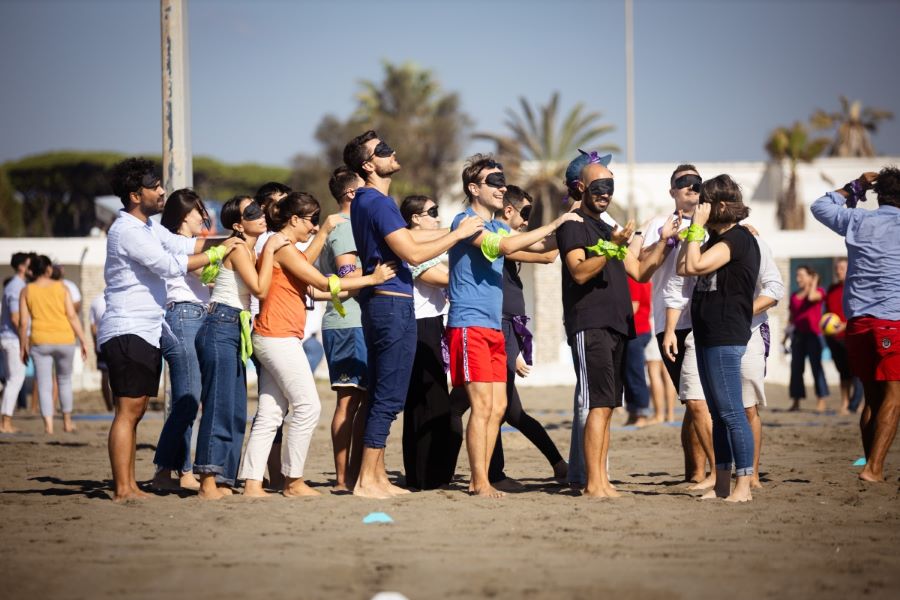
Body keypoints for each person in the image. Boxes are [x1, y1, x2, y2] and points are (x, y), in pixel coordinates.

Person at [343, 130, 483, 499]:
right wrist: (460, 234)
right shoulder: (377, 202)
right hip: (390, 303)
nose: (393, 153)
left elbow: (405, 238)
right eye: (382, 151)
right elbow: (413, 253)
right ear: (368, 165)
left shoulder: (366, 201)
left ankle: (374, 476)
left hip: (384, 302)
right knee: (389, 397)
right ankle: (366, 481)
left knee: (383, 394)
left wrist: (453, 230)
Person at [98, 157, 238, 502]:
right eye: (154, 186)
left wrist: (238, 239)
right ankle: (123, 488)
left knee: (138, 410)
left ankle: (130, 486)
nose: (162, 191)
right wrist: (221, 252)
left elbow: (185, 246)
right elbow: (169, 264)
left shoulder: (147, 227)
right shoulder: (127, 230)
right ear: (135, 194)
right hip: (127, 327)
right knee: (128, 411)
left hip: (146, 328)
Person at [239, 192, 396, 498]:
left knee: (271, 412)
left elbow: (312, 278)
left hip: (274, 335)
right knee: (308, 406)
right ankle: (293, 481)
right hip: (278, 336)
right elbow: (323, 282)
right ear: (293, 219)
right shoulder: (281, 246)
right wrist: (371, 279)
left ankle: (252, 483)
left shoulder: (284, 248)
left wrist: (323, 231)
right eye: (310, 221)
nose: (312, 227)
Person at [448, 155, 581, 498]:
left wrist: (578, 220)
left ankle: (485, 478)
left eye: (502, 181)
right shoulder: (465, 221)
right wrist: (555, 224)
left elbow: (542, 248)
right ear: (473, 188)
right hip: (469, 323)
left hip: (494, 327)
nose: (502, 187)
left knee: (499, 407)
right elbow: (504, 247)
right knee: (481, 407)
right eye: (494, 181)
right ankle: (479, 482)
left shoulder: (496, 225)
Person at [557, 160, 677, 497]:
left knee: (607, 405)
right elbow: (579, 271)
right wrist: (612, 246)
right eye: (598, 187)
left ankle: (601, 479)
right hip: (590, 323)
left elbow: (639, 271)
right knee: (596, 403)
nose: (605, 194)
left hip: (618, 326)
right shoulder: (574, 224)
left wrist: (665, 243)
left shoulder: (605, 226)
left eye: (610, 187)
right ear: (581, 187)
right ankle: (593, 482)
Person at [193, 195, 287, 500]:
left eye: (259, 209)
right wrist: (272, 249)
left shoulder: (245, 248)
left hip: (233, 326)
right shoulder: (237, 248)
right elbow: (260, 288)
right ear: (237, 224)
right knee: (220, 406)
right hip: (222, 325)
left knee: (234, 410)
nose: (261, 215)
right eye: (252, 212)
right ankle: (208, 480)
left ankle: (222, 479)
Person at [811, 167, 900, 483]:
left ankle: (873, 464)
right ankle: (873, 468)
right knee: (894, 396)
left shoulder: (859, 220)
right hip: (892, 321)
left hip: (858, 324)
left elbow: (819, 206)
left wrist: (857, 186)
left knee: (873, 398)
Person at [678, 174, 760, 502]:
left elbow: (695, 264)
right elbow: (685, 267)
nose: (700, 208)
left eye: (705, 203)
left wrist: (696, 227)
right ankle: (723, 483)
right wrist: (696, 232)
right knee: (717, 413)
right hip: (708, 333)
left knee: (731, 411)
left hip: (726, 333)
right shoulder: (714, 239)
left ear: (721, 205)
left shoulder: (738, 239)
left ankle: (743, 485)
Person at [490, 185, 567, 483]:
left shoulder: (511, 237)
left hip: (508, 327)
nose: (526, 221)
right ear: (508, 210)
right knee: (495, 408)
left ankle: (557, 464)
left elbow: (547, 256)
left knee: (505, 409)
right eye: (524, 214)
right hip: (498, 326)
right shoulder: (499, 236)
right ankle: (492, 473)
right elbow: (544, 253)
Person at [655, 165, 717, 489]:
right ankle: (703, 472)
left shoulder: (713, 227)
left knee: (697, 401)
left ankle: (700, 473)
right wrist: (664, 240)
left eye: (696, 183)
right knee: (693, 401)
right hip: (673, 324)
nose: (691, 188)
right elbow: (670, 283)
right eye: (683, 183)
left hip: (709, 320)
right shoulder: (658, 225)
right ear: (672, 191)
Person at [150, 188, 212, 491]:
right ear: (184, 215)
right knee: (187, 399)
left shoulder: (187, 245)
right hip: (183, 316)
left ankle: (180, 471)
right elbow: (205, 271)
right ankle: (167, 469)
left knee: (190, 399)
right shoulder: (175, 244)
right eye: (198, 210)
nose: (203, 215)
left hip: (198, 315)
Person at [399, 195, 461, 490]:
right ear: (415, 218)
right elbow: (435, 276)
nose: (437, 218)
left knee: (426, 404)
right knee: (429, 404)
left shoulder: (425, 246)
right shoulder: (410, 245)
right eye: (432, 212)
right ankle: (426, 477)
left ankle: (422, 475)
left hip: (432, 322)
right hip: (420, 324)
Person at [320, 166, 368, 491]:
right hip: (347, 322)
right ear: (351, 193)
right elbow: (348, 280)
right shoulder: (345, 228)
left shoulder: (352, 225)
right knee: (348, 401)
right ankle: (342, 479)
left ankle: (356, 474)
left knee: (361, 400)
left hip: (353, 323)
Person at [18, 255, 88, 434]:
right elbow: (72, 316)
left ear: (32, 270)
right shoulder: (62, 287)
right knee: (64, 380)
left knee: (43, 383)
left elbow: (23, 323)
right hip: (64, 339)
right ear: (49, 269)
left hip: (40, 340)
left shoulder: (27, 290)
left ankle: (48, 426)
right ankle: (66, 421)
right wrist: (83, 339)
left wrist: (22, 346)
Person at [740, 236, 784, 488]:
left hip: (751, 331)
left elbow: (775, 289)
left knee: (748, 407)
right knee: (720, 409)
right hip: (714, 333)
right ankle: (720, 471)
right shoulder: (702, 239)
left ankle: (752, 472)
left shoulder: (753, 242)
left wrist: (739, 311)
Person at [824, 257, 864, 415]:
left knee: (857, 373)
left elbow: (861, 313)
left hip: (853, 336)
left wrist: (846, 325)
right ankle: (845, 403)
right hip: (834, 338)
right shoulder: (832, 289)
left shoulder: (857, 288)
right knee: (843, 373)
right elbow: (827, 313)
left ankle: (858, 404)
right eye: (837, 268)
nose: (838, 270)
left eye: (842, 268)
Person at [0, 252, 34, 433]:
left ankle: (6, 420)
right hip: (13, 340)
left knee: (12, 380)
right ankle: (5, 422)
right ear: (21, 267)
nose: (31, 269)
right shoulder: (16, 287)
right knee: (15, 379)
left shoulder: (17, 285)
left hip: (10, 339)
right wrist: (24, 342)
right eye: (29, 265)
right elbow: (15, 317)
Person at [788, 265, 829, 412]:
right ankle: (796, 401)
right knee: (796, 369)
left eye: (801, 275)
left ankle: (821, 400)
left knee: (816, 367)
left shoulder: (818, 291)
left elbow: (811, 297)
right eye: (797, 275)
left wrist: (815, 282)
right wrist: (786, 335)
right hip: (798, 336)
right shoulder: (794, 295)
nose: (798, 278)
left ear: (810, 277)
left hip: (813, 335)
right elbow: (792, 317)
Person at [624, 278, 653, 427]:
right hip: (635, 331)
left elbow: (633, 307)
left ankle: (642, 412)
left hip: (637, 331)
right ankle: (633, 412)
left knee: (635, 374)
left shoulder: (633, 279)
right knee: (628, 374)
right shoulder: (637, 277)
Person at [88, 293, 113, 412]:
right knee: (117, 375)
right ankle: (117, 405)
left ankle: (109, 407)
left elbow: (92, 327)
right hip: (117, 342)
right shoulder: (115, 298)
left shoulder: (96, 301)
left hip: (102, 343)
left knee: (105, 375)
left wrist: (94, 343)